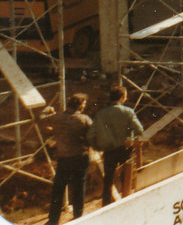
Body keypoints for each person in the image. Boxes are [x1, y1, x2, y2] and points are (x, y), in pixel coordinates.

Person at [88, 85, 143, 206]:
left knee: (108, 179)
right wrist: (131, 138)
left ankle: (106, 205)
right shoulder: (128, 112)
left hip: (108, 151)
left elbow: (91, 135)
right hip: (125, 149)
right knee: (126, 177)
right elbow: (140, 130)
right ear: (122, 97)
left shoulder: (101, 114)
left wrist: (97, 147)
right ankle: (127, 203)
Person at [42, 93, 92, 224]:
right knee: (79, 186)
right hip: (80, 156)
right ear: (79, 106)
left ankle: (53, 220)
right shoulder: (84, 119)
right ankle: (78, 216)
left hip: (64, 158)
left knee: (58, 189)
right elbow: (93, 137)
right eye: (84, 104)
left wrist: (48, 110)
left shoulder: (57, 117)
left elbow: (41, 118)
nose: (84, 106)